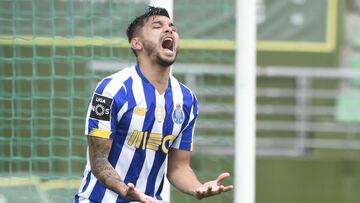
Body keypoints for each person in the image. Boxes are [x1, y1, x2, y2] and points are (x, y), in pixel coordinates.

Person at [74, 6, 233, 203]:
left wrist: (198, 188)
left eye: (172, 27)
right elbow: (98, 161)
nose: (169, 30)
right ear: (136, 43)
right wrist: (126, 191)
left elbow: (178, 168)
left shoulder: (186, 100)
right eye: (158, 26)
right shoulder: (111, 90)